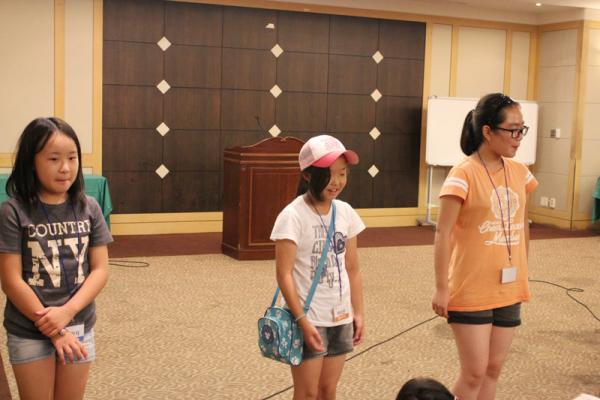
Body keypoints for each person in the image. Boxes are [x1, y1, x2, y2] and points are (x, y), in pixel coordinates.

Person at [431, 93, 538, 400]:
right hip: (471, 287)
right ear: (488, 131)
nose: (518, 137)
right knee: (474, 372)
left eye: (522, 129)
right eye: (512, 130)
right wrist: (441, 288)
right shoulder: (463, 173)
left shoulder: (520, 172)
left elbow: (522, 225)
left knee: (493, 369)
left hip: (509, 287)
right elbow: (442, 233)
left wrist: (523, 270)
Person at [0, 117, 112, 400]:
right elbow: (11, 280)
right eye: (53, 159)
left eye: (72, 158)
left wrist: (67, 312)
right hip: (29, 329)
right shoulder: (13, 212)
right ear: (31, 162)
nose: (65, 168)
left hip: (78, 323)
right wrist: (55, 330)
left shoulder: (90, 207)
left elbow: (100, 269)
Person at [270, 135, 365, 400]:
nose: (337, 182)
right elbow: (284, 274)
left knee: (327, 390)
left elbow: (353, 268)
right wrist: (301, 320)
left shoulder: (345, 212)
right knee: (307, 393)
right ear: (308, 175)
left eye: (342, 174)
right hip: (308, 317)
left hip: (340, 316)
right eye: (329, 174)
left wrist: (358, 312)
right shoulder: (292, 215)